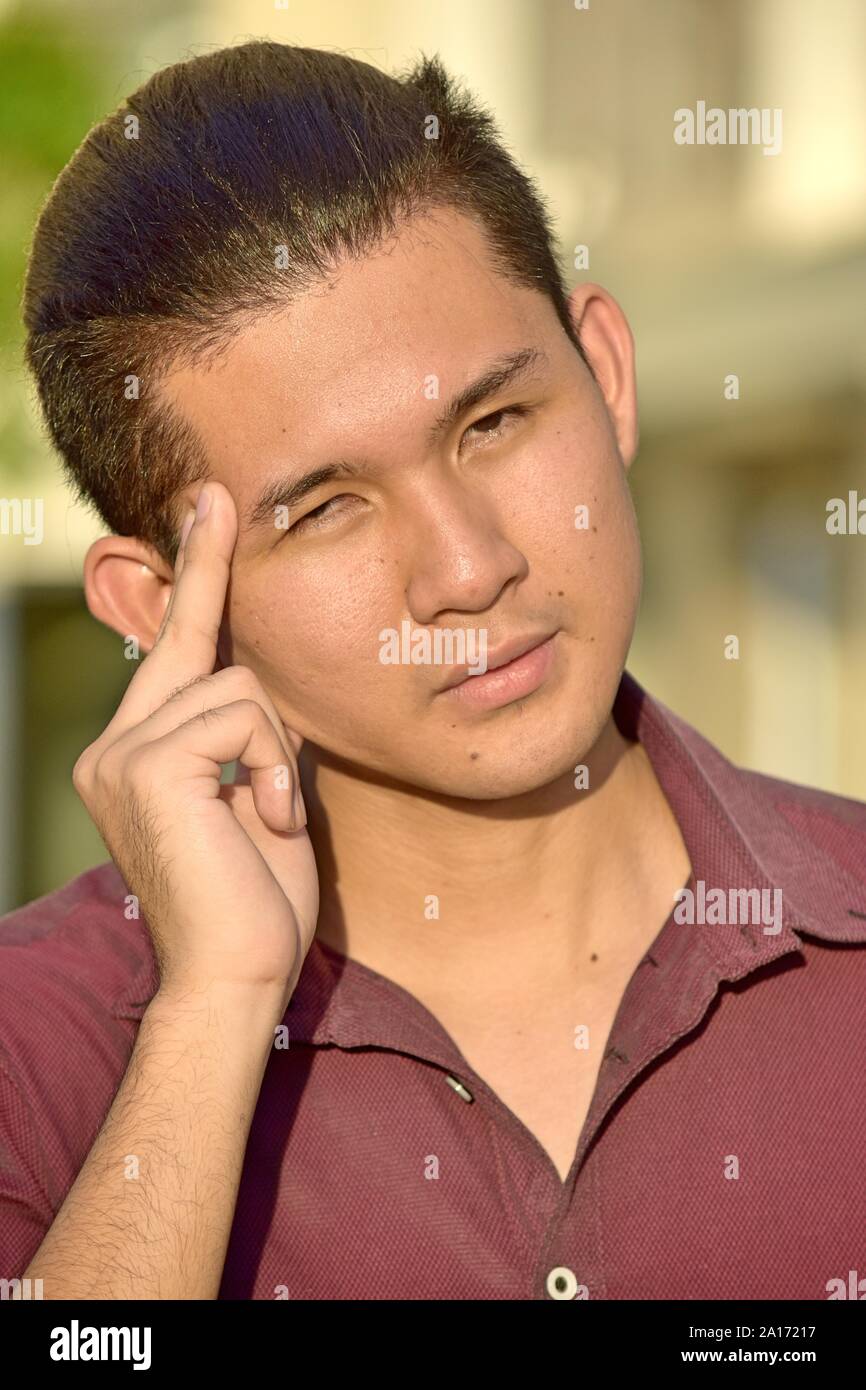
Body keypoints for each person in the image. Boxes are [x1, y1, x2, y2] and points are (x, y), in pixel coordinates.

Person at [2, 39, 864, 1303]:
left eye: (493, 423)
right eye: (327, 509)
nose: (466, 569)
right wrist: (209, 1019)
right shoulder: (33, 1054)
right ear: (157, 602)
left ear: (606, 374)